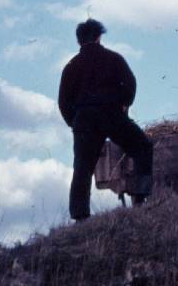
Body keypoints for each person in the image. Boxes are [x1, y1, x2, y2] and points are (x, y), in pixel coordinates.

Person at [58, 18, 153, 220]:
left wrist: (74, 122)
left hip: (84, 120)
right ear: (99, 37)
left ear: (79, 41)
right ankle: (140, 198)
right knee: (142, 146)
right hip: (111, 114)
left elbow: (63, 102)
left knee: (82, 168)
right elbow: (130, 85)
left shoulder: (71, 66)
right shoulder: (114, 58)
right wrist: (124, 104)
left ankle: (80, 216)